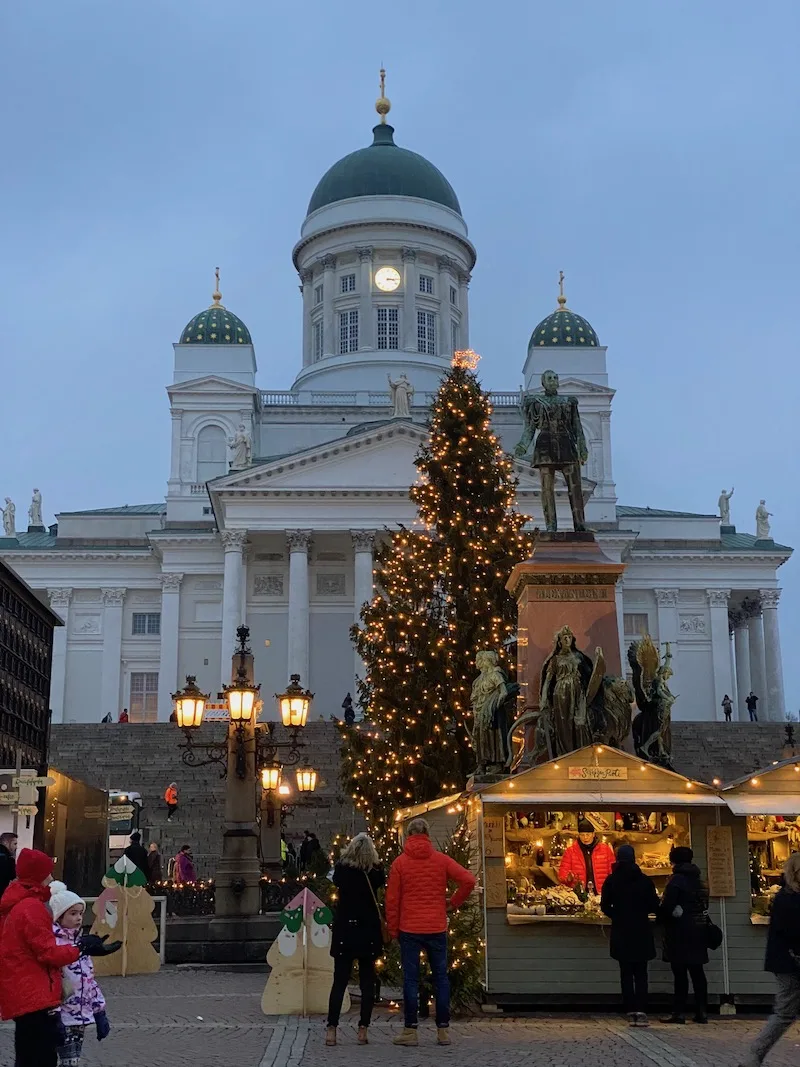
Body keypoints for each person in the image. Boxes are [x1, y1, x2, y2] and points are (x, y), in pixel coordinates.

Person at [0, 848, 119, 1067]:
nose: (51, 877)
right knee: (40, 1058)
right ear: (38, 875)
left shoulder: (17, 905)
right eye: (48, 872)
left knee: (27, 1056)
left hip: (23, 992)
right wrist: (81, 948)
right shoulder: (31, 908)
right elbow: (49, 953)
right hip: (34, 995)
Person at [386, 817, 476, 1047]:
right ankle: (443, 1030)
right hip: (436, 926)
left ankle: (410, 1031)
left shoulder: (400, 863)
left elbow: (393, 900)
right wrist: (453, 903)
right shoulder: (441, 860)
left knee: (411, 979)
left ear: (408, 836)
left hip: (409, 928)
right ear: (427, 834)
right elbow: (468, 880)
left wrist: (393, 930)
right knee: (441, 978)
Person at [739, 853, 800, 1067]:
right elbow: (792, 933)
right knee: (784, 1013)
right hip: (792, 962)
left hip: (784, 961)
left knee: (784, 1013)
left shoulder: (784, 896)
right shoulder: (790, 899)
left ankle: (753, 1056)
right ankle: (754, 1055)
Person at [325, 833, 386, 1047]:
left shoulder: (342, 871)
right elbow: (380, 881)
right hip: (367, 932)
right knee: (367, 983)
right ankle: (363, 1029)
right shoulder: (375, 872)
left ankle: (331, 1029)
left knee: (339, 982)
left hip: (345, 932)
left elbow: (334, 879)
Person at [50, 881, 111, 1067]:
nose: (78, 918)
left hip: (80, 1016)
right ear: (59, 917)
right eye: (72, 913)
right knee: (68, 1062)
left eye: (80, 913)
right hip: (63, 1016)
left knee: (72, 1061)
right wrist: (55, 1015)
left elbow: (89, 981)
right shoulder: (56, 945)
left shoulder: (82, 945)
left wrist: (100, 1011)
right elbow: (52, 983)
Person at [601, 844, 660, 1027]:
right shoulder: (644, 880)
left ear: (618, 859)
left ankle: (630, 1010)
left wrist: (617, 915)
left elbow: (604, 905)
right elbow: (653, 905)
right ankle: (642, 1010)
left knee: (626, 972)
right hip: (641, 929)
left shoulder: (612, 880)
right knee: (641, 972)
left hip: (622, 930)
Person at [659, 846, 709, 1024]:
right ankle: (702, 1011)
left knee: (680, 973)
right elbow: (705, 904)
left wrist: (663, 917)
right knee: (698, 972)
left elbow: (666, 906)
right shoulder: (700, 880)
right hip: (699, 929)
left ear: (674, 861)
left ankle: (679, 1012)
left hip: (679, 930)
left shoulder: (676, 881)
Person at [558, 819, 615, 894]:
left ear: (593, 834)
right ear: (579, 835)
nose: (585, 838)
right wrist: (568, 878)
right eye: (582, 835)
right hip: (579, 894)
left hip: (602, 893)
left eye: (588, 834)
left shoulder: (605, 850)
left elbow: (613, 872)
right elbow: (563, 873)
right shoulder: (570, 851)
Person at [0, 831, 18, 898]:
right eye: (14, 844)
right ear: (6, 843)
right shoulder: (8, 859)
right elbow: (14, 878)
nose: (16, 847)